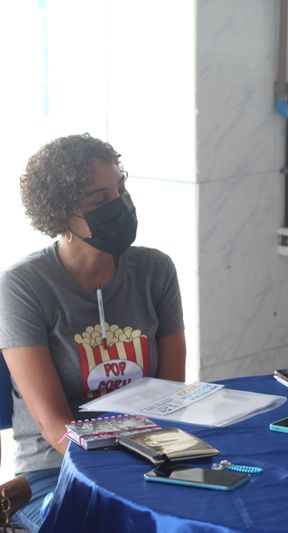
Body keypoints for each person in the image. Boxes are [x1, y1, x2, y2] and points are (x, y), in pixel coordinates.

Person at [0, 134, 186, 531]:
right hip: (57, 469)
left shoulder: (156, 270)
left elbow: (169, 396)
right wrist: (119, 479)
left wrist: (163, 459)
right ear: (60, 212)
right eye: (100, 199)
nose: (119, 204)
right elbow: (55, 425)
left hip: (150, 455)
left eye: (121, 189)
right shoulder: (23, 285)